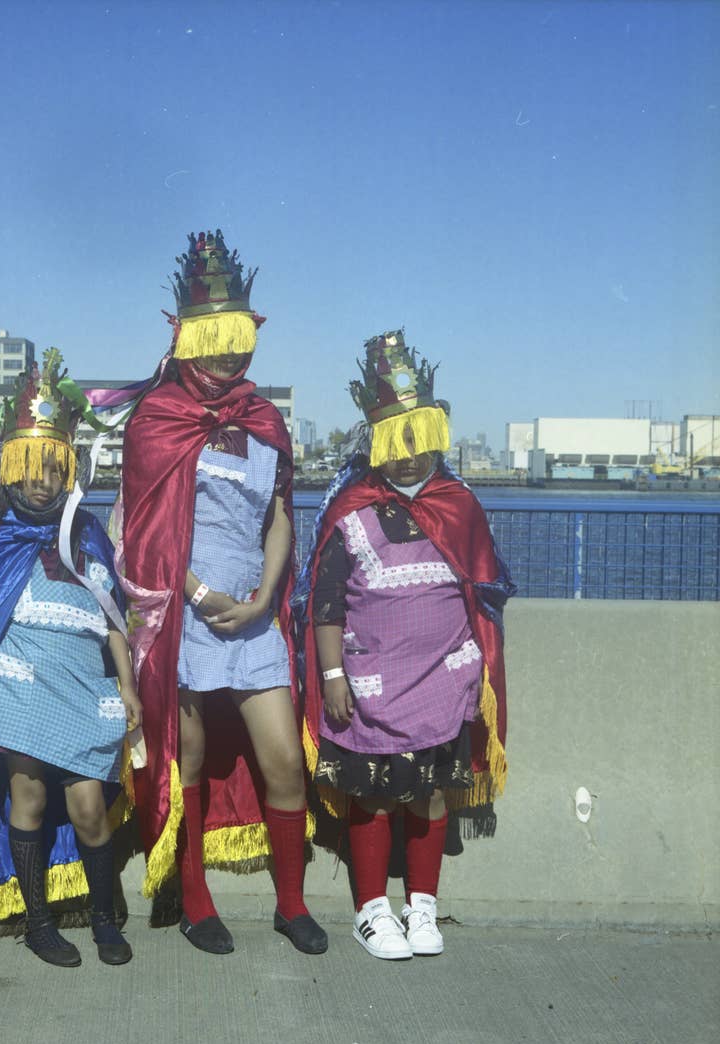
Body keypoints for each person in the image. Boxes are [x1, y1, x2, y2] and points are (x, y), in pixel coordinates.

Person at [112, 229, 326, 955]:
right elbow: (143, 535)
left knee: (284, 760)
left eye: (240, 340)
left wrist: (266, 597)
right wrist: (204, 596)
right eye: (217, 339)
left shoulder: (264, 421)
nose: (230, 355)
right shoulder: (157, 420)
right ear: (188, 338)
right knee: (192, 756)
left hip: (256, 621)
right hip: (188, 619)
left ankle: (290, 904)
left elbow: (279, 519)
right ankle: (198, 902)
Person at [294, 329, 515, 960]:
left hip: (444, 679)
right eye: (397, 444)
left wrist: (479, 675)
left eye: (419, 442)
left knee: (430, 791)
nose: (410, 458)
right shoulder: (351, 512)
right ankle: (372, 911)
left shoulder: (461, 505)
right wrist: (333, 676)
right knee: (372, 792)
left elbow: (484, 597)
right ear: (377, 444)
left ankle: (423, 907)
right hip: (371, 685)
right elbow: (327, 604)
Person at [0, 348, 142, 967]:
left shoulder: (89, 537)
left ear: (67, 470)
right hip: (20, 691)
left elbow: (114, 622)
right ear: (10, 469)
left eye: (53, 469)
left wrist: (127, 687)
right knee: (25, 800)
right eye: (30, 468)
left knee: (86, 809)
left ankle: (104, 918)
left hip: (83, 690)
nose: (41, 481)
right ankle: (39, 924)